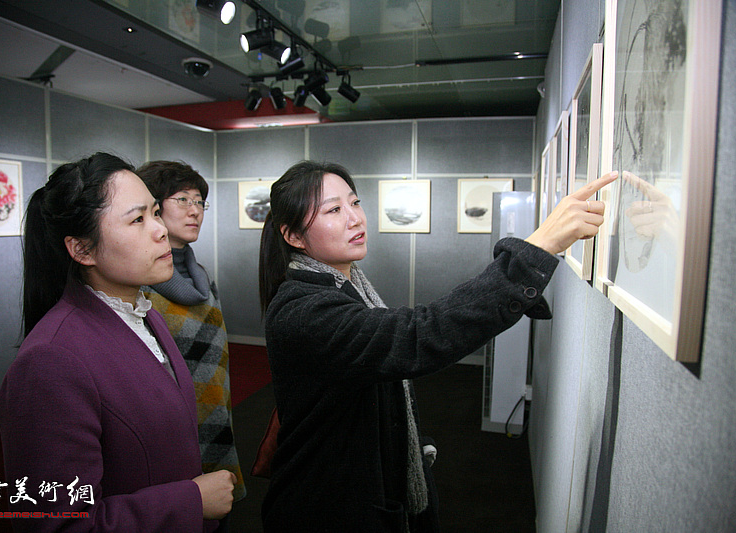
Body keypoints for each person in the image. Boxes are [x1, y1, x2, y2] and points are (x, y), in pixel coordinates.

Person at [257, 160, 617, 532]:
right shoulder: (303, 311)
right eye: (334, 210)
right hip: (325, 507)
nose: (355, 219)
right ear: (294, 236)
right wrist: (537, 248)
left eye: (355, 202)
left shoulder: (346, 286)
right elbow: (418, 335)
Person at [0, 152, 236, 532]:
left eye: (156, 213)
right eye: (138, 219)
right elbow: (59, 525)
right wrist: (189, 500)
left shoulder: (145, 315)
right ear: (83, 249)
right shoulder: (49, 361)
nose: (159, 230)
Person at [136, 161, 246, 511]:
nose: (195, 210)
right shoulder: (139, 288)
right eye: (182, 200)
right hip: (170, 432)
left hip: (216, 415)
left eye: (200, 201)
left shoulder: (202, 277)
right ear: (153, 207)